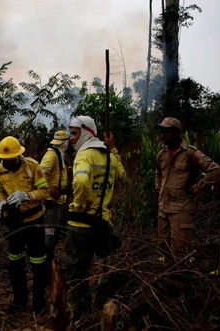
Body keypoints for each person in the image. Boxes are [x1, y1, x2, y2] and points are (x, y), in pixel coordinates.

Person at [64, 115, 126, 321]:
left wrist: (80, 205)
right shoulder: (109, 156)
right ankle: (93, 310)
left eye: (74, 133)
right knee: (90, 268)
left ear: (88, 132)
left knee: (76, 273)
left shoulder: (84, 155)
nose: (71, 138)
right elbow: (122, 176)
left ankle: (80, 316)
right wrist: (114, 149)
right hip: (101, 225)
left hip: (80, 224)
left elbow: (80, 181)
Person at [0, 136, 50, 314]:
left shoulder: (32, 166)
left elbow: (45, 191)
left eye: (11, 160)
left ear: (18, 156)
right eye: (5, 160)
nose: (7, 163)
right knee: (15, 263)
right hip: (15, 223)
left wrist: (26, 196)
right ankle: (19, 301)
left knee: (38, 263)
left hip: (34, 221)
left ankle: (39, 303)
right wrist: (1, 202)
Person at [155, 117, 220, 258]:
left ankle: (181, 278)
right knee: (162, 249)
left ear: (176, 132)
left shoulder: (191, 153)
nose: (162, 135)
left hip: (181, 210)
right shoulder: (161, 154)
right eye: (161, 131)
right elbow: (158, 174)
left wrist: (197, 188)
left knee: (179, 252)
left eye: (166, 132)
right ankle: (165, 278)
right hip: (163, 210)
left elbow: (215, 170)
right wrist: (159, 190)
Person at [39, 130, 70, 275]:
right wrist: (51, 190)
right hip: (51, 203)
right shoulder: (51, 155)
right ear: (64, 142)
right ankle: (45, 270)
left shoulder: (59, 155)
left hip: (57, 202)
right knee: (49, 236)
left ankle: (48, 266)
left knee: (54, 233)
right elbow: (41, 173)